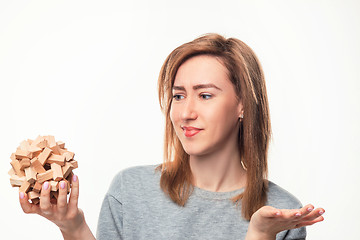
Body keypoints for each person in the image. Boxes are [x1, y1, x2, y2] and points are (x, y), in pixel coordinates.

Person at [19, 33, 325, 240]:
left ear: (243, 104)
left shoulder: (281, 214)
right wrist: (71, 226)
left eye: (205, 95)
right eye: (178, 96)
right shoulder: (129, 191)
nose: (185, 113)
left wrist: (259, 235)